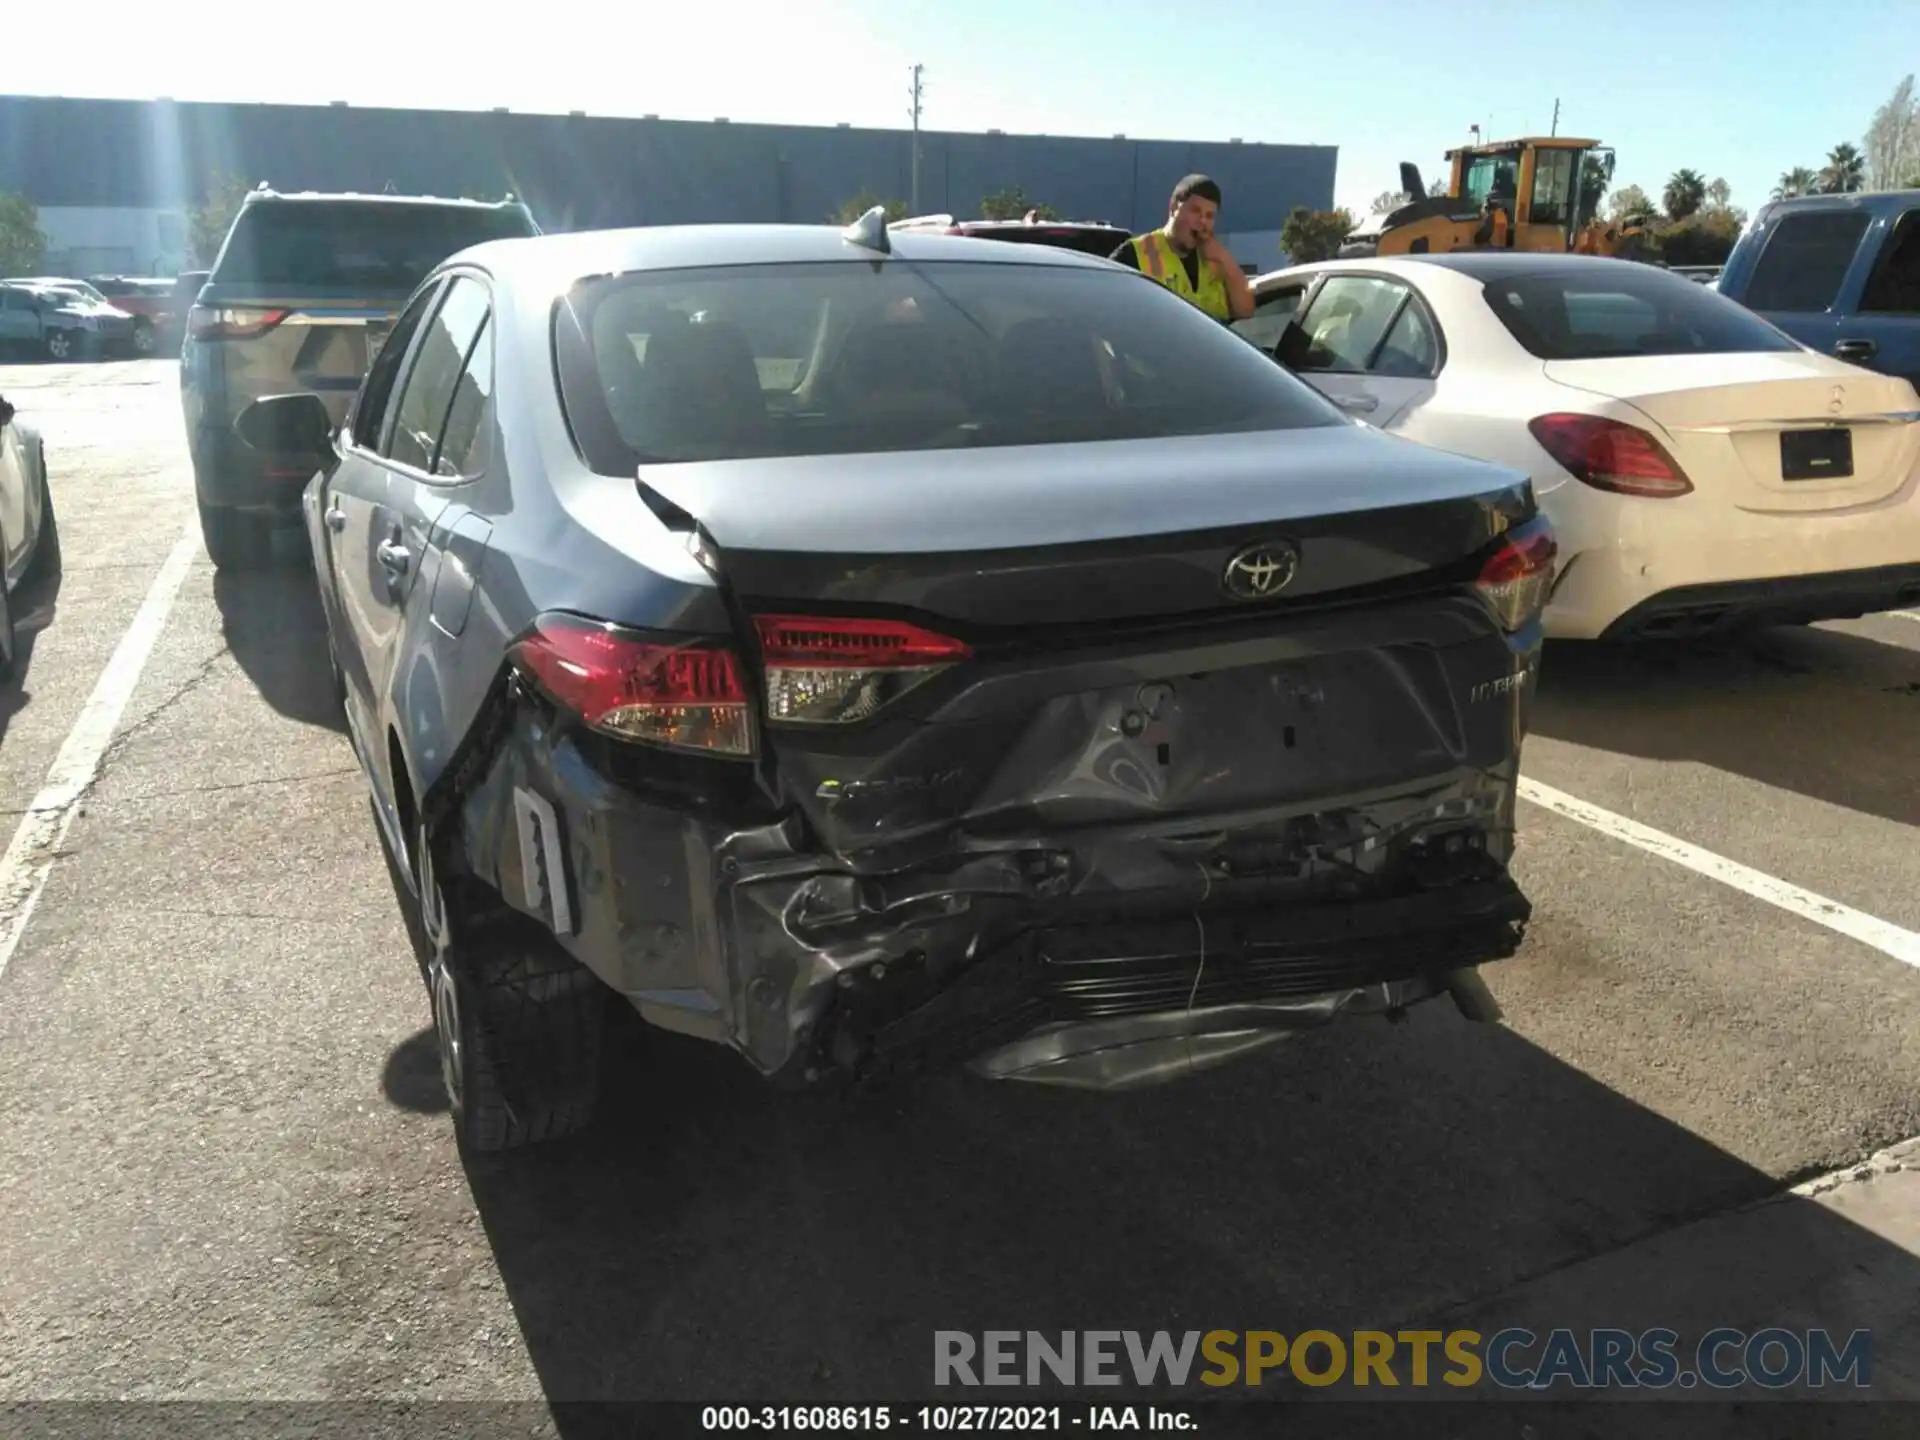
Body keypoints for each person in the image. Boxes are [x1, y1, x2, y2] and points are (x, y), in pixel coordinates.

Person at [1109, 174, 1255, 323]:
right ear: (1173, 208)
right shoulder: (1137, 252)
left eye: (1210, 216)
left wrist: (1225, 259)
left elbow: (1245, 311)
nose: (1202, 221)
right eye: (1195, 211)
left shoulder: (1216, 259)